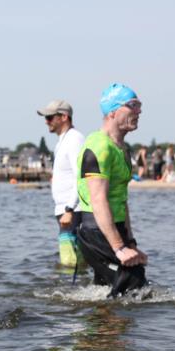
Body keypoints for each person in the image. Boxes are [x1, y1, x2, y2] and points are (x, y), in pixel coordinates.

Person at [74, 84, 149, 297]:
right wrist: (118, 248)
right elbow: (98, 201)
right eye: (132, 105)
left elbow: (121, 200)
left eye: (139, 106)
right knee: (135, 287)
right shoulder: (99, 147)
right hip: (95, 231)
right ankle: (109, 329)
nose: (139, 111)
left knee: (110, 293)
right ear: (113, 112)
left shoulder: (121, 149)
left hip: (114, 228)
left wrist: (130, 242)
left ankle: (100, 328)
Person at [37, 99, 85, 268]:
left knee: (70, 260)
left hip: (73, 210)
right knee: (71, 258)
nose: (46, 121)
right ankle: (74, 288)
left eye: (50, 117)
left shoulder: (74, 139)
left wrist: (69, 209)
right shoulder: (63, 141)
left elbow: (81, 176)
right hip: (65, 209)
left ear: (64, 117)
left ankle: (73, 291)